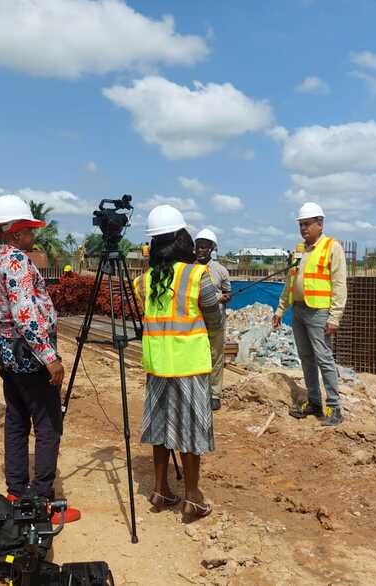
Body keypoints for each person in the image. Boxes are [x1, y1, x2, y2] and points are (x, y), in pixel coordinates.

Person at [134, 205, 223, 520]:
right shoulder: (197, 274)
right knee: (190, 432)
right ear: (182, 239)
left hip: (158, 365)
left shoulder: (144, 281)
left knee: (160, 429)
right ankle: (193, 496)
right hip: (189, 364)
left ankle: (160, 490)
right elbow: (213, 317)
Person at [0, 195, 66, 502]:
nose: (33, 237)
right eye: (29, 231)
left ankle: (16, 492)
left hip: (6, 354)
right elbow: (25, 314)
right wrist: (49, 357)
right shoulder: (17, 261)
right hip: (29, 355)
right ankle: (42, 497)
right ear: (16, 233)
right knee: (47, 425)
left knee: (16, 420)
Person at [272, 202, 347, 426]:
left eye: (307, 224)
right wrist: (280, 309)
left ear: (320, 224)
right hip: (299, 310)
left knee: (324, 358)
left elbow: (340, 284)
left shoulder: (332, 247)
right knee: (306, 358)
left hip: (319, 312)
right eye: (301, 224)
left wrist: (334, 317)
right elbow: (290, 281)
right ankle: (314, 401)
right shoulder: (299, 250)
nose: (303, 228)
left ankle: (334, 407)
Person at [194, 228, 231, 411]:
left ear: (211, 249)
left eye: (204, 246)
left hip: (215, 321)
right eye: (198, 246)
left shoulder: (221, 271)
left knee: (215, 356)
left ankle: (214, 394)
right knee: (196, 356)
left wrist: (217, 298)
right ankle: (197, 391)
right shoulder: (189, 269)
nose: (200, 249)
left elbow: (227, 294)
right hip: (195, 321)